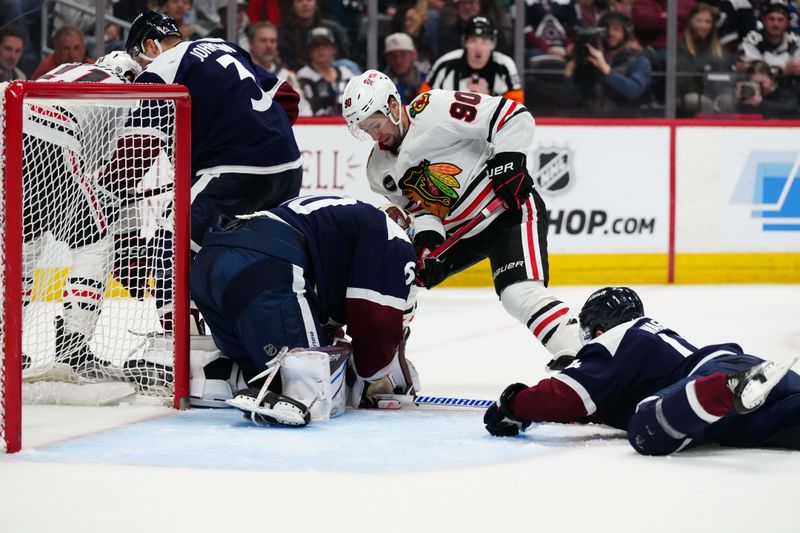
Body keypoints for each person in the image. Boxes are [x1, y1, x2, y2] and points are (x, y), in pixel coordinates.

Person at [342, 70, 583, 371]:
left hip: (505, 209)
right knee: (403, 274)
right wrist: (428, 241)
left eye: (375, 125)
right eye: (366, 130)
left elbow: (512, 115)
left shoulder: (434, 108)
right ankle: (385, 364)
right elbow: (420, 210)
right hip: (460, 232)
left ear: (392, 105)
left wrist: (510, 161)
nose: (374, 136)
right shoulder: (378, 171)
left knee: (517, 292)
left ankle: (578, 353)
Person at [123, 10, 303, 334]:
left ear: (150, 45)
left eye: (140, 62)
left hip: (235, 172)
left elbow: (138, 149)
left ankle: (181, 346)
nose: (141, 71)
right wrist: (257, 134)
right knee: (248, 255)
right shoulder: (223, 46)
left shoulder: (161, 69)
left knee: (171, 240)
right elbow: (288, 99)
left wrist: (111, 188)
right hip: (288, 169)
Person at [484, 286, 800, 455]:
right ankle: (733, 391)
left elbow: (564, 396)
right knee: (775, 423)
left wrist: (514, 404)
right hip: (742, 391)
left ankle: (725, 388)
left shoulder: (615, 340)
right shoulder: (648, 338)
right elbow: (599, 403)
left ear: (596, 328)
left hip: (710, 380)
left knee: (645, 427)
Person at [190, 195, 419, 426]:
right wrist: (375, 375)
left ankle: (215, 375)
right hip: (263, 269)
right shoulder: (394, 236)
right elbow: (376, 321)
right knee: (315, 386)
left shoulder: (340, 217)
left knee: (265, 372)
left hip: (209, 264)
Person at [21, 52, 143, 377]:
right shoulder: (122, 89)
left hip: (10, 129)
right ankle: (73, 346)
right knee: (94, 243)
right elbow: (105, 166)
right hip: (54, 139)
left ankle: (6, 345)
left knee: (23, 246)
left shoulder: (67, 68)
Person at [560, 12, 652, 117]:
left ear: (626, 33)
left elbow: (632, 91)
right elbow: (567, 101)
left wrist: (605, 70)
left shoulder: (638, 61)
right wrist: (569, 73)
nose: (610, 33)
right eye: (605, 29)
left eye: (616, 29)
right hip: (587, 124)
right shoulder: (587, 61)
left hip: (625, 126)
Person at [421, 16, 524, 104]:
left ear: (493, 43)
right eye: (473, 40)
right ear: (465, 42)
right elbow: (421, 101)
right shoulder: (445, 64)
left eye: (484, 41)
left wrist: (490, 97)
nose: (478, 48)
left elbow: (517, 108)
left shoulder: (505, 65)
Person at [247, 20, 311, 116]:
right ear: (251, 43)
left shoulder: (287, 76)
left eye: (272, 41)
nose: (269, 45)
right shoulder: (242, 73)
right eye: (263, 41)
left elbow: (304, 111)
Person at [296, 26, 358, 116]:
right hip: (316, 126)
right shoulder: (303, 76)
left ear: (334, 49)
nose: (321, 49)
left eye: (325, 45)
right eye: (316, 45)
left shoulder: (346, 73)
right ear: (310, 51)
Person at [739, 1, 800, 77]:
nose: (775, 24)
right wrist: (782, 71)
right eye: (771, 19)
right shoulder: (752, 40)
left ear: (787, 23)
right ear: (764, 20)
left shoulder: (796, 41)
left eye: (780, 20)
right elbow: (756, 70)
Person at [735, 59, 800, 118]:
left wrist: (761, 103)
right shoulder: (749, 95)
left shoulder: (786, 93)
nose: (758, 86)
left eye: (761, 83)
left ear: (771, 79)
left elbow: (792, 111)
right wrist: (739, 99)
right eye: (754, 84)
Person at [381, 32, 428, 105]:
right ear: (387, 59)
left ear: (414, 54)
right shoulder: (381, 85)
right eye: (393, 56)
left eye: (403, 55)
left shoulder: (428, 79)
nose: (398, 61)